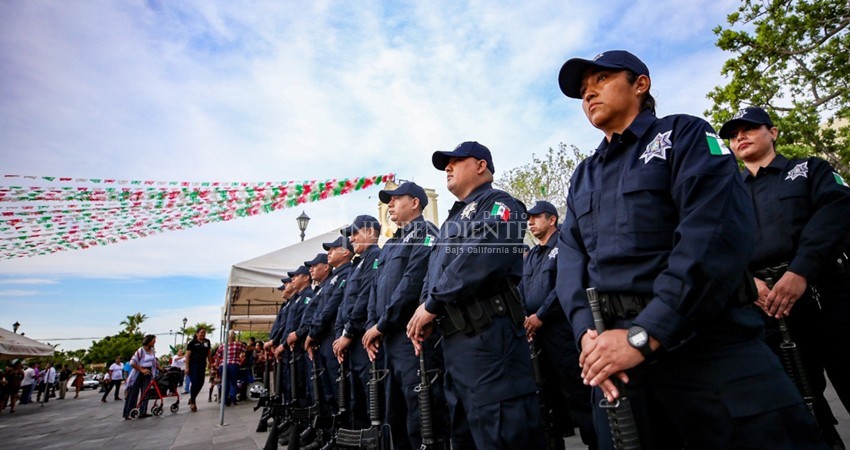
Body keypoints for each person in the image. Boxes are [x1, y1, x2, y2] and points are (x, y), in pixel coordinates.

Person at [555, 49, 826, 449]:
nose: (588, 95)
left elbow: (712, 236)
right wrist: (587, 337)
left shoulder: (685, 136)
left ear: (640, 84)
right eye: (582, 90)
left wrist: (645, 334)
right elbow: (571, 260)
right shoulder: (584, 174)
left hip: (704, 346)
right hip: (616, 360)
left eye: (600, 80)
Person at [720, 106, 850, 448]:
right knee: (798, 403)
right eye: (734, 135)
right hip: (766, 307)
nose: (740, 137)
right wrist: (747, 284)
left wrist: (800, 271)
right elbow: (717, 244)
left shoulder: (808, 169)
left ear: (773, 132)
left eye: (749, 128)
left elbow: (835, 213)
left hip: (825, 294)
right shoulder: (725, 193)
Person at [407, 141, 542, 449]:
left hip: (491, 344)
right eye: (445, 165)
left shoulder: (501, 204)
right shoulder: (451, 222)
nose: (448, 168)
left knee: (502, 434)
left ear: (481, 166)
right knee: (466, 435)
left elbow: (479, 256)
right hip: (455, 347)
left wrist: (432, 303)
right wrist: (425, 311)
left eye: (456, 161)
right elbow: (434, 272)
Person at [362, 182, 450, 449]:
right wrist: (372, 327)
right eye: (389, 201)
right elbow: (375, 289)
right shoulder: (389, 245)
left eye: (396, 199)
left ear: (415, 203)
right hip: (386, 341)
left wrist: (382, 324)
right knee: (393, 416)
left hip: (410, 337)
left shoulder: (427, 233)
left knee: (422, 416)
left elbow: (412, 282)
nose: (390, 204)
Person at [522, 200, 596, 449]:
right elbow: (523, 289)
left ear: (551, 219)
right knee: (547, 398)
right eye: (528, 218)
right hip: (537, 336)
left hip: (562, 332)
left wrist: (540, 315)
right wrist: (526, 316)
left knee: (579, 394)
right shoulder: (532, 254)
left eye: (535, 217)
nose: (530, 222)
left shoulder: (565, 245)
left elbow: (563, 285)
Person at [333, 215, 381, 429]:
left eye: (355, 233)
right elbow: (345, 304)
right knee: (356, 401)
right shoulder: (359, 264)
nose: (351, 239)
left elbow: (364, 299)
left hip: (362, 340)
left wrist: (349, 333)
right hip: (351, 342)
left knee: (372, 405)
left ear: (370, 232)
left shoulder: (375, 257)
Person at [305, 236, 355, 411]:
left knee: (339, 392)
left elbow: (331, 306)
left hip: (333, 336)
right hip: (324, 338)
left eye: (333, 249)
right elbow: (320, 309)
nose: (329, 252)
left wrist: (312, 333)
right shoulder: (333, 279)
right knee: (327, 391)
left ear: (345, 252)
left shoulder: (347, 273)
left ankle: (341, 433)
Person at [123, 334, 159, 419]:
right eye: (153, 340)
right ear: (149, 341)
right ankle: (128, 412)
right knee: (133, 392)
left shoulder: (152, 351)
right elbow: (132, 362)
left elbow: (154, 362)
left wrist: (160, 368)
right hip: (139, 373)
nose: (155, 342)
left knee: (145, 392)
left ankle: (143, 411)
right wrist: (141, 369)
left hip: (148, 373)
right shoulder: (141, 351)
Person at [214, 331, 247, 406]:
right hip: (234, 365)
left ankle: (225, 400)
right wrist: (240, 356)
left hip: (223, 365)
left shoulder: (222, 345)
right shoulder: (239, 344)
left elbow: (217, 356)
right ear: (234, 336)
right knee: (233, 383)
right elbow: (245, 350)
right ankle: (233, 399)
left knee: (225, 383)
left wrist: (217, 365)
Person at [185, 326, 213, 412]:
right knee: (195, 382)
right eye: (201, 333)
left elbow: (209, 353)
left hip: (202, 365)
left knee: (201, 382)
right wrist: (186, 367)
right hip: (193, 365)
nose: (203, 334)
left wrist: (210, 363)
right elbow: (187, 355)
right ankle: (193, 402)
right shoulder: (192, 343)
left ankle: (192, 397)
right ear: (197, 334)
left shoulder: (207, 342)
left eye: (204, 333)